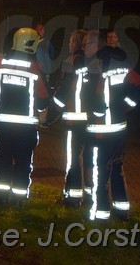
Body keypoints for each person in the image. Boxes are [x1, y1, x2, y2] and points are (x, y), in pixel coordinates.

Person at [0, 27, 50, 206]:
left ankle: (0, 196)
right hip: (26, 127)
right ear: (31, 46)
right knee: (23, 162)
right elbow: (43, 98)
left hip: (3, 125)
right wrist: (42, 116)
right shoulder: (35, 69)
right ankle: (18, 199)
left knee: (1, 158)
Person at [84, 30, 140, 221]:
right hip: (119, 126)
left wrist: (99, 118)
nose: (85, 47)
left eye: (87, 44)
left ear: (97, 46)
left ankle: (100, 213)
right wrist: (125, 106)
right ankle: (122, 210)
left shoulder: (98, 64)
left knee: (100, 171)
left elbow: (98, 94)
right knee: (117, 168)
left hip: (101, 129)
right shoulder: (122, 64)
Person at [52, 28, 91, 207]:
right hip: (90, 119)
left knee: (73, 158)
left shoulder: (73, 62)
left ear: (76, 43)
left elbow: (65, 88)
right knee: (89, 159)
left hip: (73, 118)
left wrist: (52, 110)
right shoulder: (95, 62)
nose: (69, 45)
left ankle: (72, 197)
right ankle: (89, 195)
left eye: (70, 41)